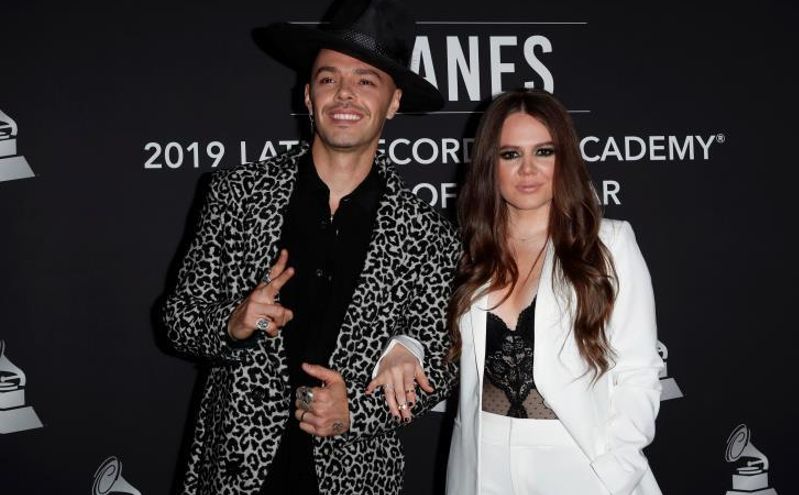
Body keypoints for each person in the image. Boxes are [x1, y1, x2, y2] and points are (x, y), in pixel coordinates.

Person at [161, 1, 458, 494]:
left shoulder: (430, 232)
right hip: (234, 473)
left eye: (366, 80)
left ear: (394, 102)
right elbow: (178, 320)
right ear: (307, 93)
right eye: (328, 78)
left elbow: (439, 368)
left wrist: (352, 414)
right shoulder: (236, 195)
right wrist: (233, 324)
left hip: (356, 476)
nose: (345, 93)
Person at [444, 88, 663, 495]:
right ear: (490, 164)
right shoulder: (470, 252)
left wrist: (618, 467)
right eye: (510, 154)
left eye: (543, 152)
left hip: (576, 459)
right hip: (481, 460)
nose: (528, 169)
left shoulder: (609, 244)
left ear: (564, 158)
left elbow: (639, 372)